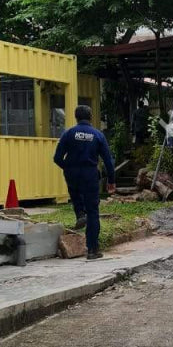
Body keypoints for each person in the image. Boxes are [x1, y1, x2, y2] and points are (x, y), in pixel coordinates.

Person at [53, 105, 116, 260]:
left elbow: (57, 158)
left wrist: (68, 167)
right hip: (90, 174)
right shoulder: (98, 135)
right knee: (93, 211)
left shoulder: (68, 133)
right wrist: (111, 180)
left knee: (75, 195)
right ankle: (93, 250)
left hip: (72, 174)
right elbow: (108, 160)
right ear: (90, 117)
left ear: (76, 117)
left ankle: (80, 213)